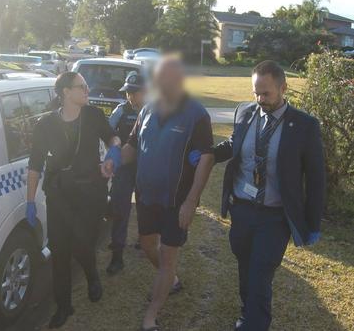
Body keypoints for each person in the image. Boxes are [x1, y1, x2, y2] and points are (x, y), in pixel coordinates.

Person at [213, 60, 325, 331]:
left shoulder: (304, 126)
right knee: (245, 265)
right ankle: (247, 312)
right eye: (256, 93)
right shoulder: (245, 112)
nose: (260, 99)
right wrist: (206, 153)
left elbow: (316, 177)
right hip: (242, 209)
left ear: (283, 88)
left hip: (275, 217)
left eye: (266, 93)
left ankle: (254, 324)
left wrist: (312, 223)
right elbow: (234, 144)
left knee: (261, 271)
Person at [120, 57, 215, 331]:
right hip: (146, 196)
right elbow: (131, 145)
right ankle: (171, 279)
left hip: (176, 201)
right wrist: (113, 160)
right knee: (149, 245)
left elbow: (206, 159)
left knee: (168, 256)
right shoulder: (147, 110)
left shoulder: (197, 114)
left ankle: (151, 316)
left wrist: (191, 201)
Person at [25, 71, 122, 329]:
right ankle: (64, 307)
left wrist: (113, 150)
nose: (86, 90)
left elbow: (113, 137)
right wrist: (30, 200)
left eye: (86, 86)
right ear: (66, 92)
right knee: (59, 252)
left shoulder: (93, 115)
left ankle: (92, 276)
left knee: (81, 243)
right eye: (81, 87)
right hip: (59, 195)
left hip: (91, 192)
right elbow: (35, 164)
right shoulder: (45, 124)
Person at [106, 72, 147, 275]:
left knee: (146, 207)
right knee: (120, 209)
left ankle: (145, 240)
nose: (130, 96)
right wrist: (112, 154)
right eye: (128, 92)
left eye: (134, 92)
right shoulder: (120, 111)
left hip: (147, 169)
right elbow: (107, 133)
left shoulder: (155, 111)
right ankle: (117, 255)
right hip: (124, 168)